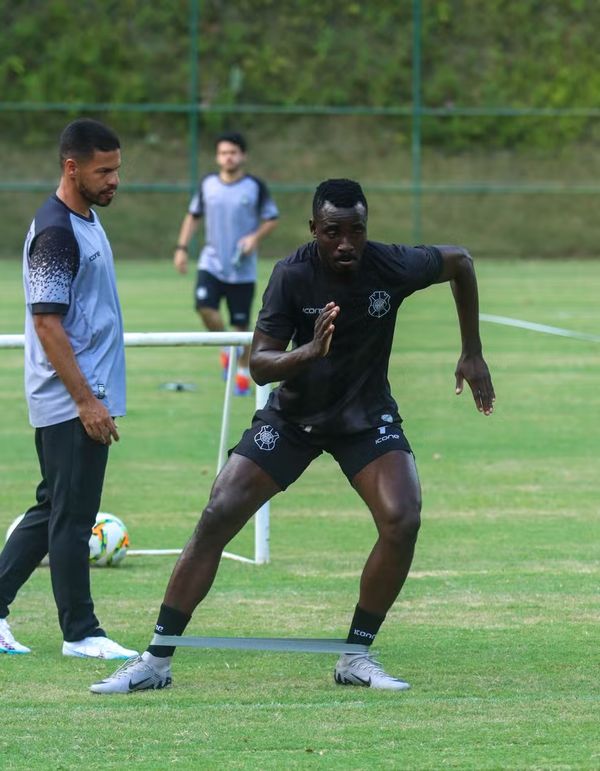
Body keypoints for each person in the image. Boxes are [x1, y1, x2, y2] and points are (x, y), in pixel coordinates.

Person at [91, 178, 495, 693]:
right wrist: (308, 352)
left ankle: (355, 655)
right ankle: (156, 660)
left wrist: (472, 351)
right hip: (293, 421)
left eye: (357, 231)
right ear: (314, 230)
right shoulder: (292, 274)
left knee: (403, 517)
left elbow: (460, 261)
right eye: (333, 232)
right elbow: (259, 365)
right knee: (218, 514)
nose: (346, 243)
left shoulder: (390, 264)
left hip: (365, 419)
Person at [0, 118, 138, 660]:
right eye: (104, 171)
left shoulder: (84, 219)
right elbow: (47, 325)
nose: (114, 181)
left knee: (53, 506)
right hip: (71, 398)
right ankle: (81, 633)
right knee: (74, 515)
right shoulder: (57, 231)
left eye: (118, 170)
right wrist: (87, 401)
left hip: (82, 393)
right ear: (71, 167)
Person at [172, 131, 279, 395]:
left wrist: (255, 237)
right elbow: (193, 216)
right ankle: (225, 348)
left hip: (242, 268)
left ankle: (242, 370)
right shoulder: (208, 184)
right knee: (204, 307)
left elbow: (272, 218)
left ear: (242, 155)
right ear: (217, 157)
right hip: (212, 262)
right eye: (222, 153)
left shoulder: (255, 187)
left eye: (232, 152)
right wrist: (182, 248)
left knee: (240, 326)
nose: (227, 157)